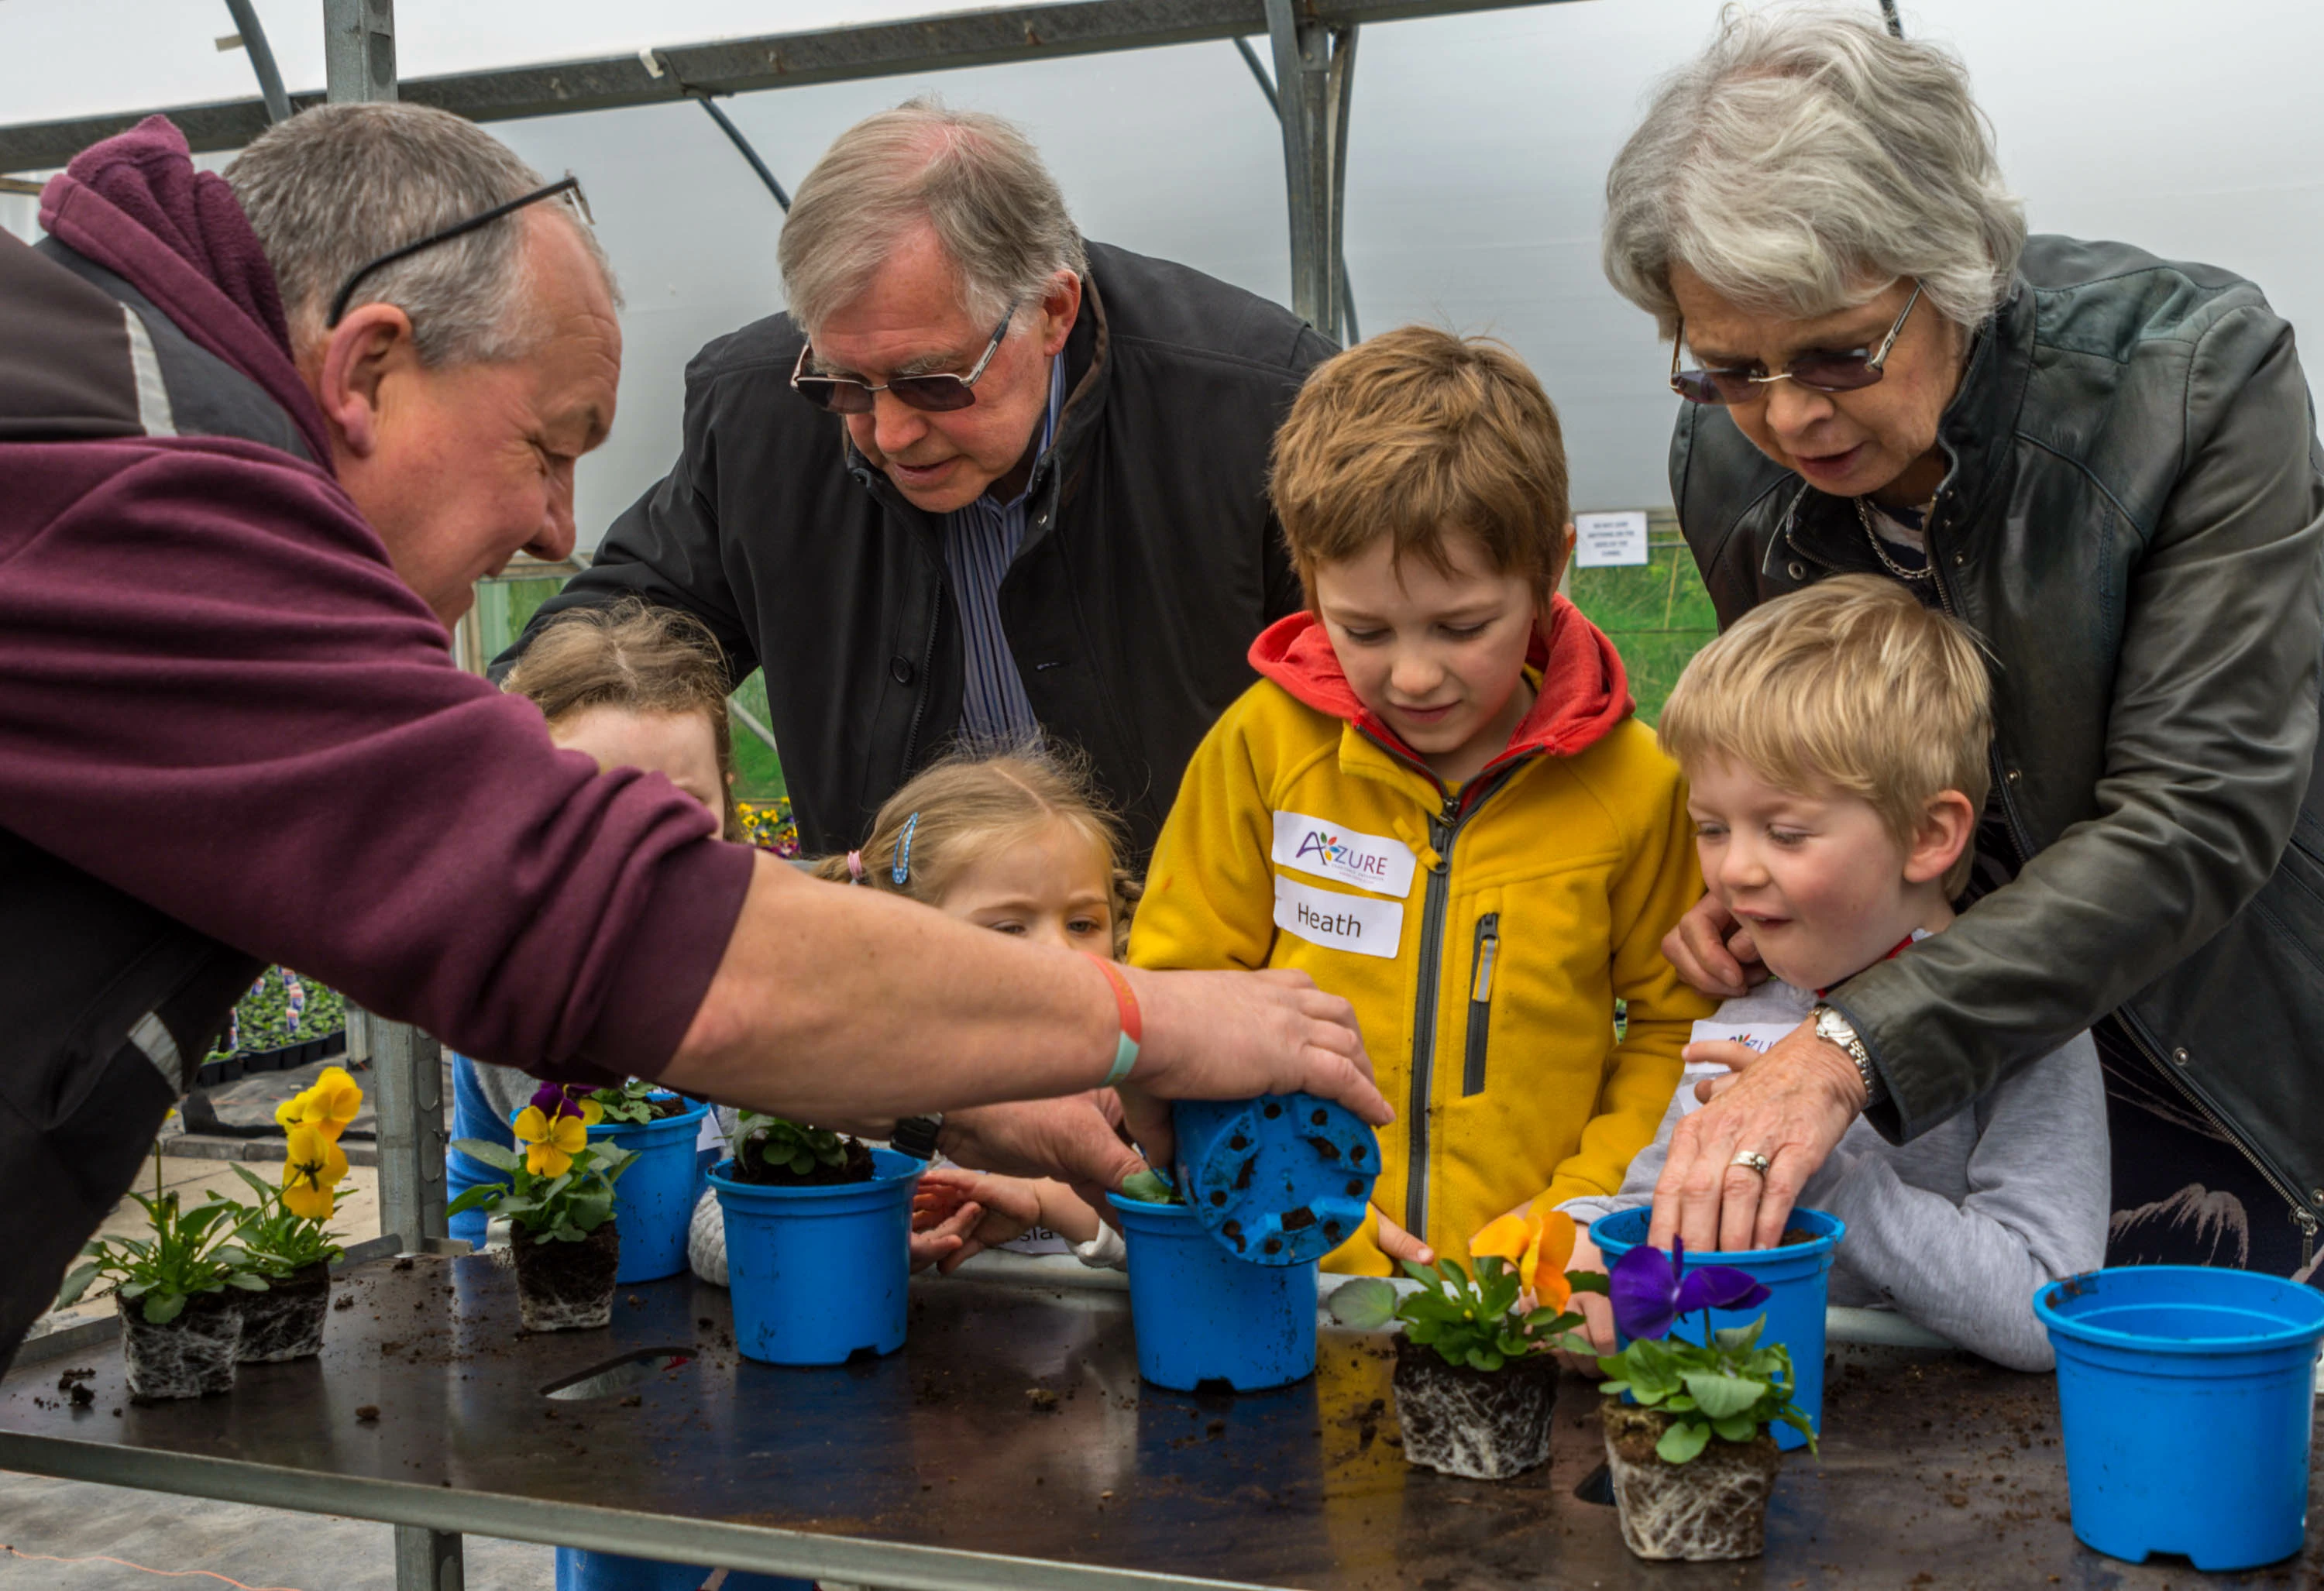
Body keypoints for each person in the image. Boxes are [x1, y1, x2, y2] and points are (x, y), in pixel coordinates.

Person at [0, 105, 1384, 1366]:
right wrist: (1140, 1021)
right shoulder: (139, 492)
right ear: (368, 365)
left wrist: (945, 1088)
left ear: (1052, 312)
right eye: (548, 448)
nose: (556, 528)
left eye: (934, 382)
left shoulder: (103, 416)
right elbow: (596, 909)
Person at [1601, 11, 2324, 1273]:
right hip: (1943, 1063)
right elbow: (1804, 747)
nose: (1786, 415)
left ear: (1957, 266)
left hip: (2214, 1034)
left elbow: (2199, 809)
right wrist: (1750, 874)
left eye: (1838, 351)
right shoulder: (1730, 458)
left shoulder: (2194, 381)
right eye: (1726, 367)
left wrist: (1851, 1046)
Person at [499, 99, 1330, 862]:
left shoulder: (1258, 408)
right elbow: (625, 621)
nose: (890, 433)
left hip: (1191, 957)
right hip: (897, 972)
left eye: (935, 381)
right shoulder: (761, 418)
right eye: (846, 384)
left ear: (1052, 312)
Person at [1128, 325, 1714, 1274]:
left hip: (1540, 1282)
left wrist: (1581, 1209)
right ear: (1307, 580)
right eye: (1362, 628)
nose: (1412, 673)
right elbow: (1182, 992)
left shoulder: (1635, 784)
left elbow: (1673, 1026)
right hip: (1293, 1260)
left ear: (1548, 570)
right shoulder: (1263, 746)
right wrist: (1295, 1204)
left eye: (1461, 625)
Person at [1560, 579, 2107, 1371]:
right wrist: (1579, 1238)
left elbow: (2046, 1311)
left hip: (1939, 1464)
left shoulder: (2027, 1033)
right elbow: (1657, 1202)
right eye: (1711, 827)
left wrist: (1834, 1181)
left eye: (1784, 831)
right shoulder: (1749, 997)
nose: (1734, 871)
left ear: (1928, 834)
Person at [689, 747, 1140, 1284]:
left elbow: (1227, 1250)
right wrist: (864, 1248)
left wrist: (1050, 1204)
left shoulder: (1137, 1083)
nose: (1061, 955)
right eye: (1010, 928)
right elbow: (714, 1231)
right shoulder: (849, 1090)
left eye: (1084, 924)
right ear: (903, 939)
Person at [443, 600, 738, 1250]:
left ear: (728, 794)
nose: (643, 846)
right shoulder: (506, 1005)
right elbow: (474, 1171)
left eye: (680, 808)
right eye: (593, 807)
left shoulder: (768, 969)